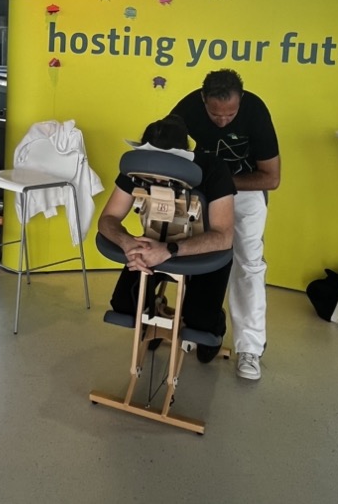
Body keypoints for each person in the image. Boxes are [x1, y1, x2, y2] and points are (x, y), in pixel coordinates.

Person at [98, 115, 236, 362]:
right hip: (152, 243)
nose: (156, 177)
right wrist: (128, 243)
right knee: (125, 307)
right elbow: (108, 218)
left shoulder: (214, 169)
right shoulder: (136, 170)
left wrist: (170, 250)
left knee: (200, 326)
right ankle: (156, 312)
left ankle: (216, 320)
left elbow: (224, 237)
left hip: (201, 251)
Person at [171, 69, 280, 381]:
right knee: (194, 256)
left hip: (245, 191)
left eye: (230, 114)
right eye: (215, 114)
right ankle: (196, 325)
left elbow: (271, 178)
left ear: (240, 101)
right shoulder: (188, 108)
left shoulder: (255, 112)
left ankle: (250, 348)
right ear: (203, 99)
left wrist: (221, 183)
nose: (222, 121)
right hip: (202, 192)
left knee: (249, 265)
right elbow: (166, 150)